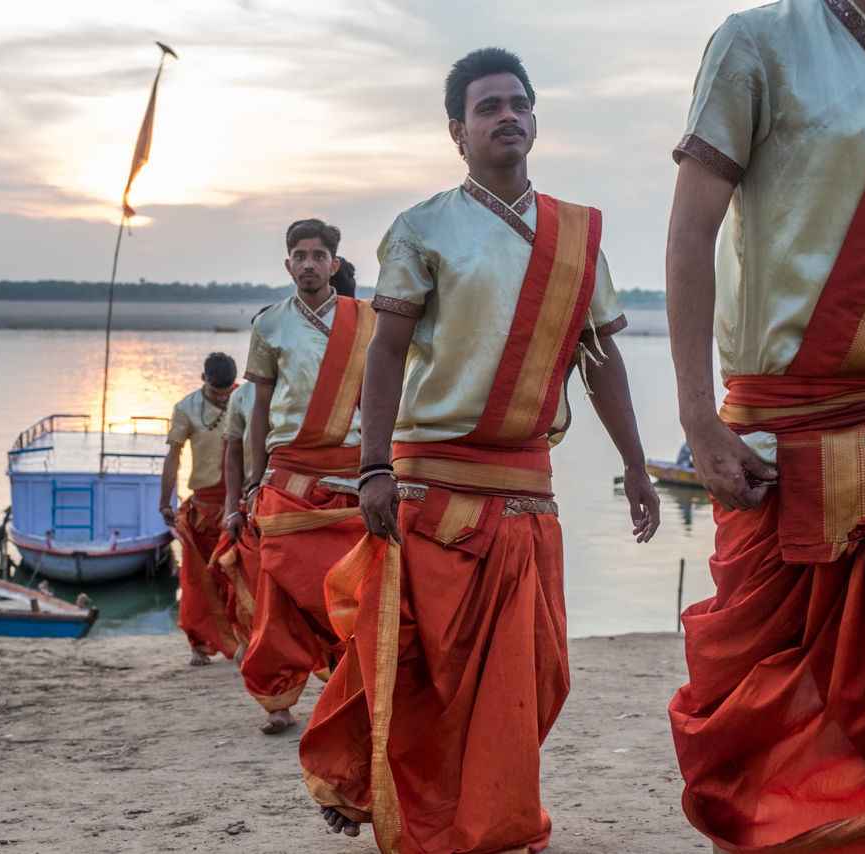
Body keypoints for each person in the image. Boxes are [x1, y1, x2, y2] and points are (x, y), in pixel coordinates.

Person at [297, 48, 659, 854]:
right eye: (488, 107)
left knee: (534, 673)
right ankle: (374, 787)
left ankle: (479, 803)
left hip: (530, 488)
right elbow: (385, 352)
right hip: (432, 489)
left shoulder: (578, 235)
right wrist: (373, 466)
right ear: (457, 131)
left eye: (518, 103)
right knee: (417, 662)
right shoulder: (423, 228)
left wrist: (636, 465)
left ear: (536, 119)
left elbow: (600, 360)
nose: (507, 116)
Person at [665, 2, 865, 851]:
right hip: (777, 432)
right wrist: (696, 416)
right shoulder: (755, 42)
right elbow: (692, 230)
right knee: (760, 707)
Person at [239, 220, 374, 734]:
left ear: (334, 265)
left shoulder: (369, 320)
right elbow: (260, 409)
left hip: (355, 473)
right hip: (289, 475)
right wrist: (255, 479)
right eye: (301, 255)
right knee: (279, 586)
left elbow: (388, 396)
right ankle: (279, 697)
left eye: (320, 255)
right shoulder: (269, 324)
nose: (310, 263)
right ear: (288, 264)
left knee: (357, 584)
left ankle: (352, 676)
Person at [161, 352, 238, 666]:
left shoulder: (246, 398)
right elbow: (173, 456)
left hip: (240, 502)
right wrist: (165, 500)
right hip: (204, 507)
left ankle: (245, 640)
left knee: (240, 576)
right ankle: (199, 644)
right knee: (196, 580)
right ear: (203, 379)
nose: (222, 398)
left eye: (226, 391)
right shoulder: (186, 407)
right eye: (216, 391)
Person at [209, 378, 261, 658]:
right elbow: (233, 453)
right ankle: (248, 640)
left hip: (303, 497)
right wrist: (231, 508)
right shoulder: (243, 396)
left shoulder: (312, 377)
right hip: (251, 501)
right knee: (245, 578)